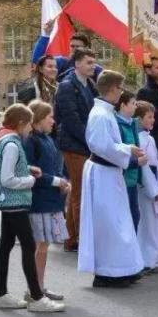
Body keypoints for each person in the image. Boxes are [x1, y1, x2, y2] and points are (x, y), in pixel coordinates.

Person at [0, 104, 64, 313]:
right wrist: (30, 179)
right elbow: (7, 178)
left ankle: (1, 294)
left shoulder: (5, 140)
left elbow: (9, 169)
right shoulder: (12, 144)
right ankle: (36, 297)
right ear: (21, 123)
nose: (31, 128)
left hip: (9, 201)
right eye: (29, 123)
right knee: (29, 246)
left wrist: (28, 169)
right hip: (15, 201)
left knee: (5, 246)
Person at [78, 70, 146, 288]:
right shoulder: (100, 114)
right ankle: (107, 272)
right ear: (113, 89)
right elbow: (101, 146)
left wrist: (126, 150)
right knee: (108, 223)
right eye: (120, 88)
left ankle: (121, 269)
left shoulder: (105, 112)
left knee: (118, 221)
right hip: (102, 172)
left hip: (109, 172)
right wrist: (127, 150)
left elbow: (108, 145)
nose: (122, 92)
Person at [23, 100, 70, 302]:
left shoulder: (48, 140)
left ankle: (40, 286)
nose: (53, 121)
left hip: (51, 200)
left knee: (44, 246)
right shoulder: (31, 141)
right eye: (50, 117)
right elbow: (32, 171)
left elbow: (55, 166)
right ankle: (34, 289)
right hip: (40, 202)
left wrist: (63, 181)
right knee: (39, 246)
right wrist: (57, 181)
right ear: (38, 119)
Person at [54, 48, 98, 253]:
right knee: (80, 194)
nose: (93, 66)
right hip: (73, 145)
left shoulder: (90, 84)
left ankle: (71, 238)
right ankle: (82, 238)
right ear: (77, 64)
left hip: (83, 144)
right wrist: (91, 140)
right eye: (89, 62)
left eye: (93, 62)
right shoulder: (66, 86)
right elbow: (71, 120)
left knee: (77, 193)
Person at [135, 101, 158, 273]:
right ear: (139, 120)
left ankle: (156, 257)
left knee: (155, 222)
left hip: (154, 183)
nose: (153, 120)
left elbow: (155, 165)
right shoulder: (139, 140)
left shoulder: (149, 138)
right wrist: (154, 190)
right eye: (149, 117)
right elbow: (145, 166)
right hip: (146, 187)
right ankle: (147, 259)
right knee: (147, 222)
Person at [115, 91, 143, 232]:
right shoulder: (118, 125)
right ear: (122, 105)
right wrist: (136, 162)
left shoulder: (132, 124)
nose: (135, 106)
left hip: (132, 179)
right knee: (128, 218)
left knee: (134, 217)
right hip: (124, 178)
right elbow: (118, 154)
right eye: (132, 103)